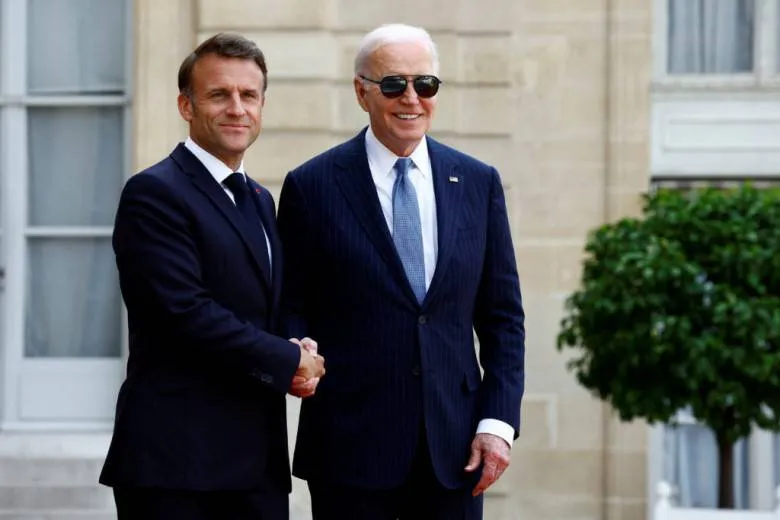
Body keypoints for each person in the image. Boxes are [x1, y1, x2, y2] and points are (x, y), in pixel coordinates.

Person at [276, 23, 525, 520]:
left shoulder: (478, 183)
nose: (411, 98)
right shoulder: (311, 185)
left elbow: (503, 319)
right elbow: (291, 303)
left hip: (455, 452)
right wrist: (296, 351)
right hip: (350, 450)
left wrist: (497, 423)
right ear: (361, 91)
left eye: (425, 84)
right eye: (393, 84)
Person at [99, 33, 325, 520]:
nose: (237, 108)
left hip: (256, 466)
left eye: (249, 95)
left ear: (262, 105)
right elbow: (183, 312)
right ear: (186, 105)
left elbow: (259, 305)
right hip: (176, 467)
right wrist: (287, 359)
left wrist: (297, 345)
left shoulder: (259, 199)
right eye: (219, 94)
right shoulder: (154, 192)